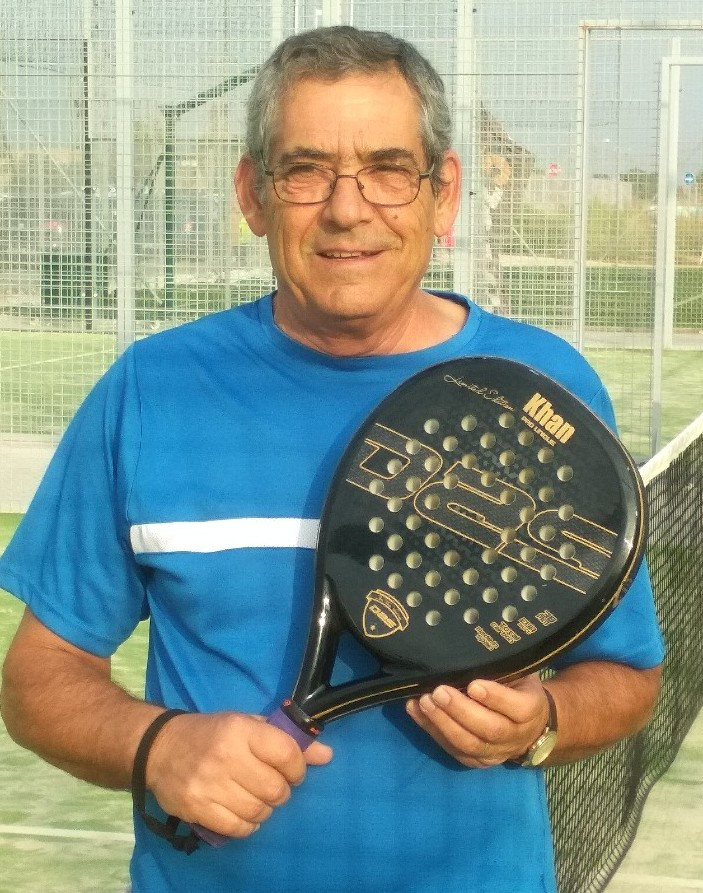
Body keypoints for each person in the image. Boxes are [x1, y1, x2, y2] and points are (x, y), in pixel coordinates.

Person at [0, 26, 663, 893]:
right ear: (252, 194)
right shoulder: (150, 389)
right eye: (305, 170)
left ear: (443, 194)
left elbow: (626, 674)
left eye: (388, 170)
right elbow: (39, 679)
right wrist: (156, 744)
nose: (348, 210)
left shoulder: (545, 394)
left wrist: (541, 721)